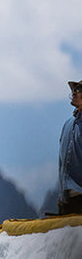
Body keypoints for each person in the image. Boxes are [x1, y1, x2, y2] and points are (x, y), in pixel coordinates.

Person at [58, 80, 82, 215]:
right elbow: (61, 162)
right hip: (68, 199)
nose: (74, 92)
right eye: (74, 89)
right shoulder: (67, 125)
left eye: (79, 90)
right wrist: (61, 195)